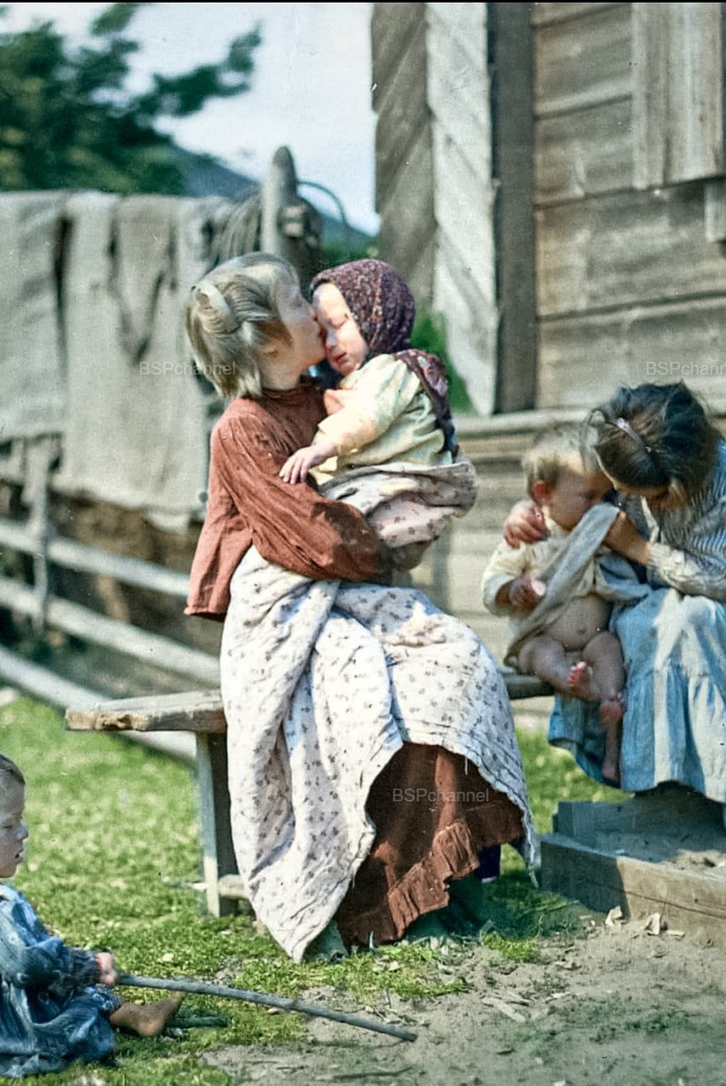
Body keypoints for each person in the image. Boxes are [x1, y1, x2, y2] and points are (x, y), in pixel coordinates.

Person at [184, 252, 536, 963]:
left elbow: (399, 439)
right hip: (288, 609)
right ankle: (376, 903)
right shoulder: (241, 429)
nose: (315, 313)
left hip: (357, 589)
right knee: (357, 690)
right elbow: (305, 535)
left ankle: (449, 879)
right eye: (295, 303)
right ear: (263, 340)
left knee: (452, 667)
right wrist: (389, 535)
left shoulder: (332, 391)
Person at [502, 382, 726, 841]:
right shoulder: (620, 450)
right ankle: (661, 787)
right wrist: (531, 510)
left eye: (637, 494)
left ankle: (723, 786)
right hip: (650, 596)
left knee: (691, 622)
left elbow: (721, 581)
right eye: (617, 491)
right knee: (642, 625)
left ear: (676, 485)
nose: (619, 500)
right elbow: (567, 481)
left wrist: (637, 547)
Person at [0, 737, 182, 1077]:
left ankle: (130, 1013)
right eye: (9, 824)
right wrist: (88, 964)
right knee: (66, 994)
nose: (23, 832)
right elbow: (28, 963)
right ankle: (133, 1015)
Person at [279, 258, 475, 571]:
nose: (331, 343)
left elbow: (366, 418)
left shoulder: (392, 369)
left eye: (340, 325)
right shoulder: (355, 378)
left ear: (375, 314)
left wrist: (320, 450)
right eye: (322, 333)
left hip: (402, 486)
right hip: (382, 492)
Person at [481, 422, 627, 787]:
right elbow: (491, 583)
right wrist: (512, 588)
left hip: (591, 639)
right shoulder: (528, 536)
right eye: (589, 497)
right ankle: (571, 680)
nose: (600, 508)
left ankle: (612, 735)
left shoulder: (599, 532)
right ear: (544, 494)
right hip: (539, 638)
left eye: (606, 498)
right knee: (543, 650)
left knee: (609, 648)